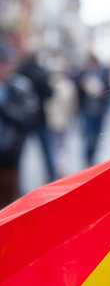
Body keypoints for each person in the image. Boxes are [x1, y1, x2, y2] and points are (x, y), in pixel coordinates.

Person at [0, 36, 39, 208]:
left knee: (9, 203)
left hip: (10, 155)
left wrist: (5, 109)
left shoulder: (21, 87)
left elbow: (28, 117)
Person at [17, 53, 57, 182]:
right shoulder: (40, 73)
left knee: (19, 153)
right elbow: (50, 93)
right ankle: (52, 178)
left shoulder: (21, 72)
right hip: (40, 118)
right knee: (47, 151)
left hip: (24, 119)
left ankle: (18, 182)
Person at [75, 54, 110, 166]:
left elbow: (109, 90)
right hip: (87, 110)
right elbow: (78, 89)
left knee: (96, 135)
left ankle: (92, 156)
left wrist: (103, 93)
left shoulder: (103, 74)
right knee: (88, 134)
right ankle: (87, 156)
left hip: (99, 110)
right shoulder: (84, 74)